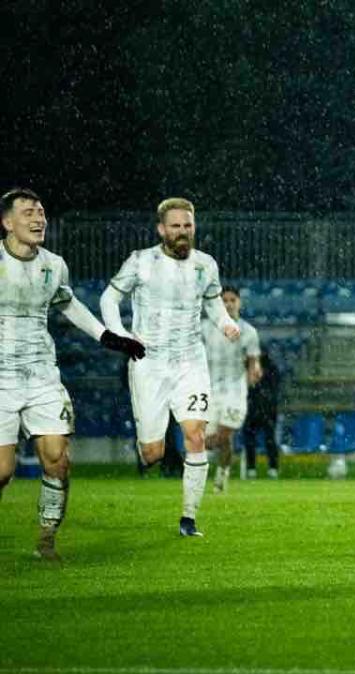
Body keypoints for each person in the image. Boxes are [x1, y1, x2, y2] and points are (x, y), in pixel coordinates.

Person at [0, 187, 145, 560]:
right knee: (2, 470)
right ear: (7, 222)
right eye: (29, 212)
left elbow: (68, 303)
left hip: (42, 376)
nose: (38, 219)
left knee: (58, 459)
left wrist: (108, 337)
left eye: (42, 212)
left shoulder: (54, 264)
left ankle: (46, 539)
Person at [100, 197, 241, 537]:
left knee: (195, 435)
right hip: (149, 363)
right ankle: (148, 446)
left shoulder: (206, 264)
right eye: (175, 226)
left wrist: (225, 323)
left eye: (187, 225)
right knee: (152, 453)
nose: (182, 232)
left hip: (191, 361)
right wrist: (118, 334)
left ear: (194, 227)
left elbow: (213, 304)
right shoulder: (141, 262)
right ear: (161, 229)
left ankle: (188, 519)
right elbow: (109, 298)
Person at [204, 286, 262, 493]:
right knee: (210, 441)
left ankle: (222, 473)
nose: (228, 304)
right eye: (224, 300)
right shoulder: (206, 328)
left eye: (232, 300)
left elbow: (254, 360)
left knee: (223, 434)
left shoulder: (248, 331)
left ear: (239, 303)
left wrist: (255, 369)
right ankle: (217, 472)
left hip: (235, 390)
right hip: (209, 389)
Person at [242, 348, 281, 478]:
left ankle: (259, 468)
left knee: (264, 440)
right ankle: (266, 468)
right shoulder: (269, 367)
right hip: (258, 409)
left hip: (260, 409)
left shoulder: (266, 368)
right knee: (257, 440)